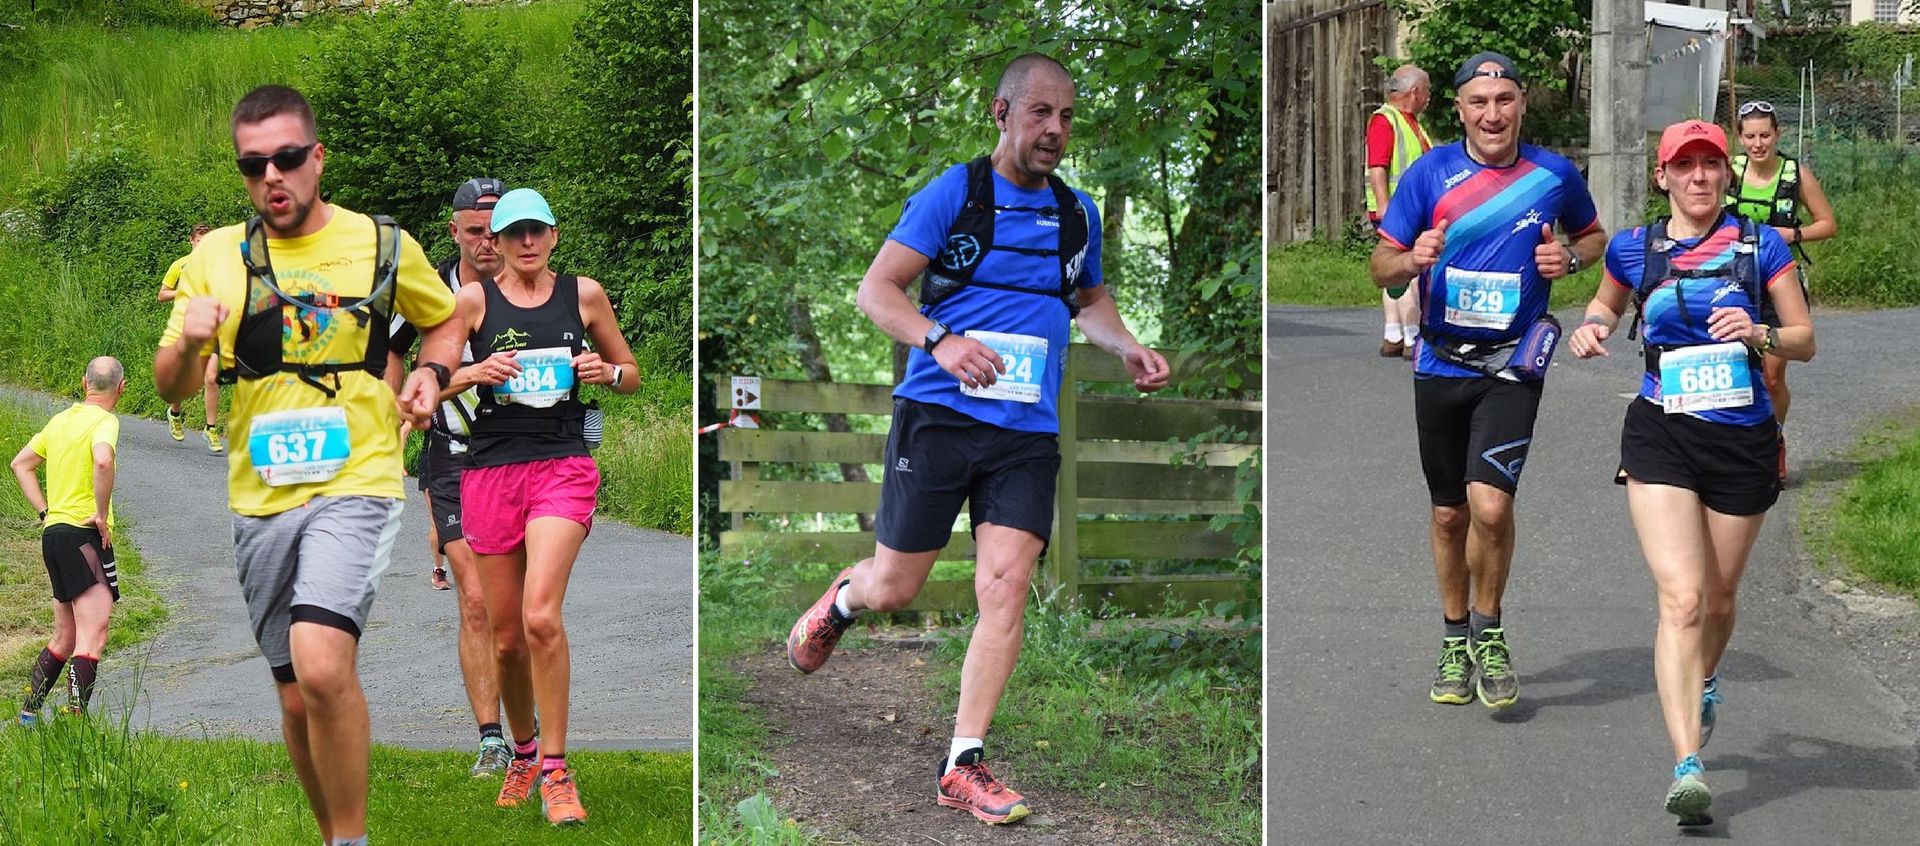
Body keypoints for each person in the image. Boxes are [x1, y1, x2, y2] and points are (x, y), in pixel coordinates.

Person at [783, 53, 1170, 826]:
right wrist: (941, 341)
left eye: (1066, 116)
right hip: (939, 419)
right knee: (898, 587)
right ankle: (846, 599)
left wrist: (1123, 343)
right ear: (1001, 114)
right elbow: (876, 290)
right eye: (1040, 113)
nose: (1055, 129)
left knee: (1006, 584)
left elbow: (1088, 298)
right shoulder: (953, 195)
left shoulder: (1076, 213)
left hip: (1026, 431)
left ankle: (963, 763)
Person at [153, 85, 463, 846]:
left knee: (322, 665)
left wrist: (431, 373)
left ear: (317, 158)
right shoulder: (212, 259)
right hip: (261, 497)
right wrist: (189, 343)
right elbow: (171, 384)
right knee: (294, 697)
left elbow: (448, 318)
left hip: (357, 480)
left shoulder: (382, 244)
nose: (272, 178)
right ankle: (333, 834)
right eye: (253, 165)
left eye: (287, 159)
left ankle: (352, 841)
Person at [1568, 119, 1814, 825]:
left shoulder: (1758, 245)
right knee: (1680, 597)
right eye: (1687, 165)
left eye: (1711, 165)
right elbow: (1605, 305)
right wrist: (1592, 328)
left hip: (1741, 438)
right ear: (1664, 176)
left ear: (1724, 176)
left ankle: (1705, 678)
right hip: (1660, 432)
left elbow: (1804, 340)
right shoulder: (1633, 246)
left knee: (1718, 600)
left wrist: (1760, 333)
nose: (1700, 177)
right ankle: (1687, 765)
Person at [1368, 52, 1606, 710]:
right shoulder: (1429, 173)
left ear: (1522, 102)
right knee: (1449, 514)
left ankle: (1489, 629)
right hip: (1440, 362)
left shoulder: (1553, 175)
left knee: (1492, 507)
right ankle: (1453, 639)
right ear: (1460, 109)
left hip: (1511, 364)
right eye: (1479, 101)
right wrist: (1408, 257)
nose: (1492, 112)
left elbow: (1595, 238)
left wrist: (1571, 258)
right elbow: (1380, 267)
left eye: (1504, 99)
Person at [451, 186, 639, 826]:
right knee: (506, 641)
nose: (527, 242)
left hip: (562, 466)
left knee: (539, 617)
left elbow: (630, 370)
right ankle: (523, 754)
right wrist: (474, 374)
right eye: (514, 233)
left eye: (538, 231)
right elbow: (431, 375)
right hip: (489, 470)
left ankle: (558, 770)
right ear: (493, 244)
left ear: (553, 236)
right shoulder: (473, 301)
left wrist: (606, 374)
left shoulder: (582, 295)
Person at [386, 177, 511, 778]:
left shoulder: (536, 288)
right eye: (476, 233)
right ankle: (492, 738)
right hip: (456, 453)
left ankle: (532, 733)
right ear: (454, 232)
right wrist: (398, 409)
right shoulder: (430, 289)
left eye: (498, 232)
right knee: (478, 598)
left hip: (526, 459)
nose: (488, 244)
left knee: (518, 609)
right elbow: (395, 356)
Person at [1726, 101, 1836, 486]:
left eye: (1765, 135)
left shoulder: (1795, 174)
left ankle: (1772, 441)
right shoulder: (1729, 172)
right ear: (1739, 137)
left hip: (1780, 283)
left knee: (1772, 376)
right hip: (1732, 281)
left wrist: (1794, 234)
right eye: (1750, 136)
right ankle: (1736, 448)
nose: (1758, 144)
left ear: (1778, 135)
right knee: (1736, 371)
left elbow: (1828, 224)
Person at [10, 357, 125, 724]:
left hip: (54, 535)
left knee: (65, 637)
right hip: (84, 535)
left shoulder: (59, 421)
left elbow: (20, 464)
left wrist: (46, 511)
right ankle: (75, 724)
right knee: (93, 637)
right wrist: (102, 515)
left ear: (83, 382)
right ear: (121, 388)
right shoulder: (105, 421)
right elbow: (103, 462)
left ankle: (28, 717)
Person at [1366, 64, 1433, 359]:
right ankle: (1411, 337)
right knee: (1410, 270)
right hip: (1399, 210)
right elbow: (1377, 165)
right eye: (1427, 92)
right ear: (1415, 92)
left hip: (1406, 208)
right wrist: (1384, 206)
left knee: (1398, 272)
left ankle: (1393, 335)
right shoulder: (1386, 120)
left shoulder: (1409, 121)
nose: (1429, 98)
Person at [158, 223, 224, 453]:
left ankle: (211, 429)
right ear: (191, 241)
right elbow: (162, 294)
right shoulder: (180, 265)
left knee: (211, 378)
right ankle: (174, 413)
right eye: (199, 241)